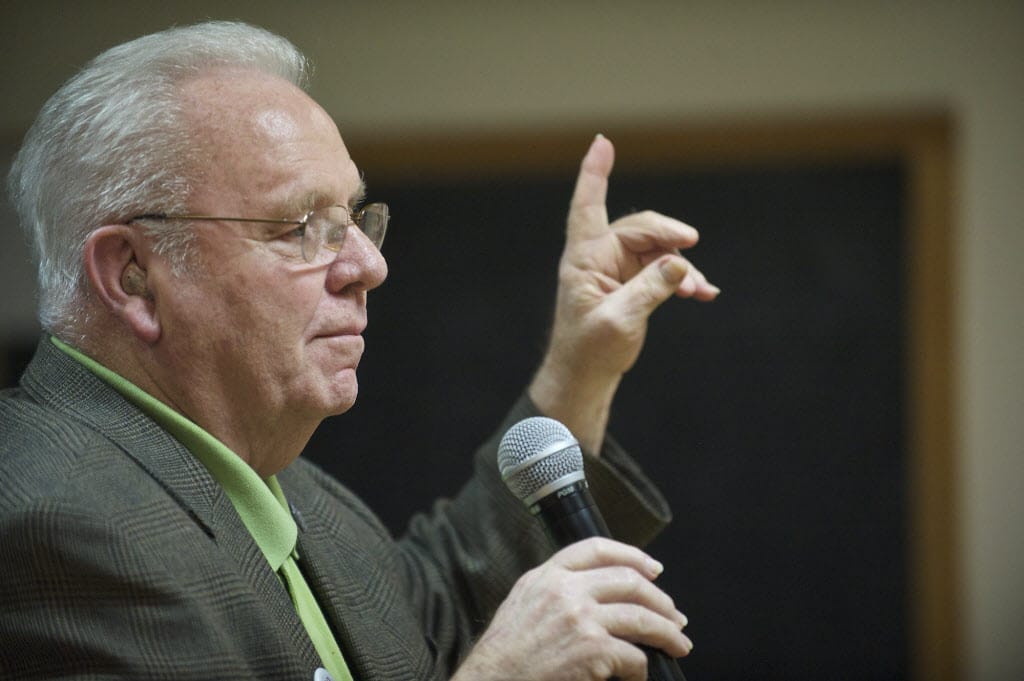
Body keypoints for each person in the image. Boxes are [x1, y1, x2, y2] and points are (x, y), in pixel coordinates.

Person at [0, 21, 718, 681]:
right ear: (134, 276)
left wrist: (580, 363)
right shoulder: (47, 526)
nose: (368, 265)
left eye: (356, 217)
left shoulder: (294, 490)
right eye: (298, 227)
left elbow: (444, 611)